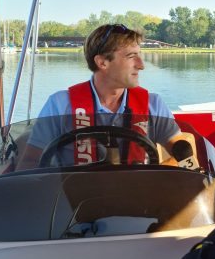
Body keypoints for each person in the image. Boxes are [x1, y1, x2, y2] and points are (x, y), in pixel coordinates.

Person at [21, 24, 186, 167]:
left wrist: (158, 175)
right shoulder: (60, 104)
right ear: (102, 63)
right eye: (131, 56)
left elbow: (185, 154)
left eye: (139, 55)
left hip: (139, 199)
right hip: (74, 202)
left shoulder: (153, 104)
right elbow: (29, 163)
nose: (141, 65)